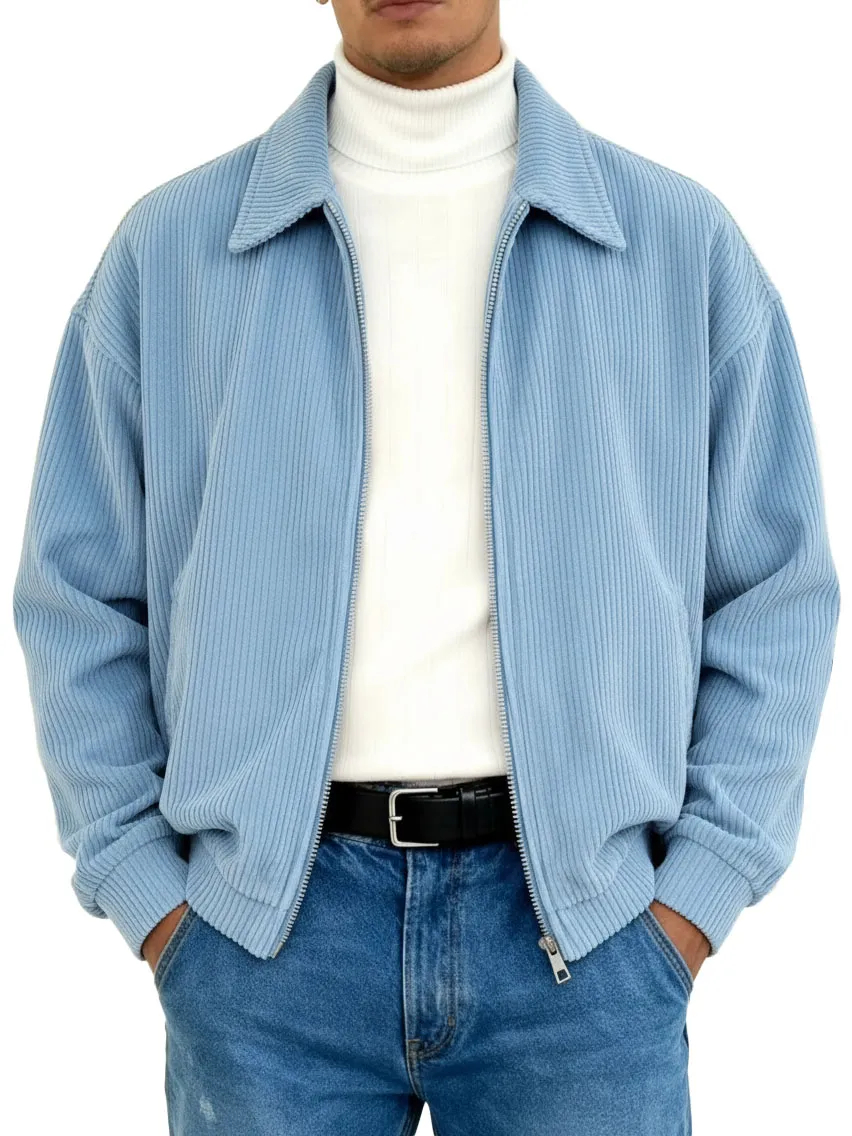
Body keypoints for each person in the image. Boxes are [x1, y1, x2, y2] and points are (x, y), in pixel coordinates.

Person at [12, 1, 840, 1133]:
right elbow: (77, 596)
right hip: (264, 949)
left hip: (587, 943)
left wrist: (691, 902)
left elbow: (777, 592)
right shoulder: (169, 253)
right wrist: (155, 903)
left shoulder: (679, 245)